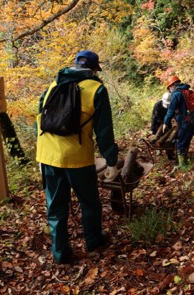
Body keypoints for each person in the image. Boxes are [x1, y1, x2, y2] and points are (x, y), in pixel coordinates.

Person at [36, 50, 119, 264]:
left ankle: (60, 252)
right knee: (89, 203)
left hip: (48, 155)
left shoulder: (53, 86)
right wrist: (111, 161)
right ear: (93, 69)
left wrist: (40, 157)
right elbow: (104, 131)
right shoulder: (96, 90)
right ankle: (93, 240)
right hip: (77, 159)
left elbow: (40, 120)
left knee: (55, 206)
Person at [162, 75, 194, 169]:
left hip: (187, 122)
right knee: (185, 140)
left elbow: (171, 109)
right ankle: (184, 161)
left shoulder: (176, 94)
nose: (169, 90)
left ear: (173, 85)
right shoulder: (187, 90)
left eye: (169, 88)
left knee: (181, 143)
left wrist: (166, 122)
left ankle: (182, 166)